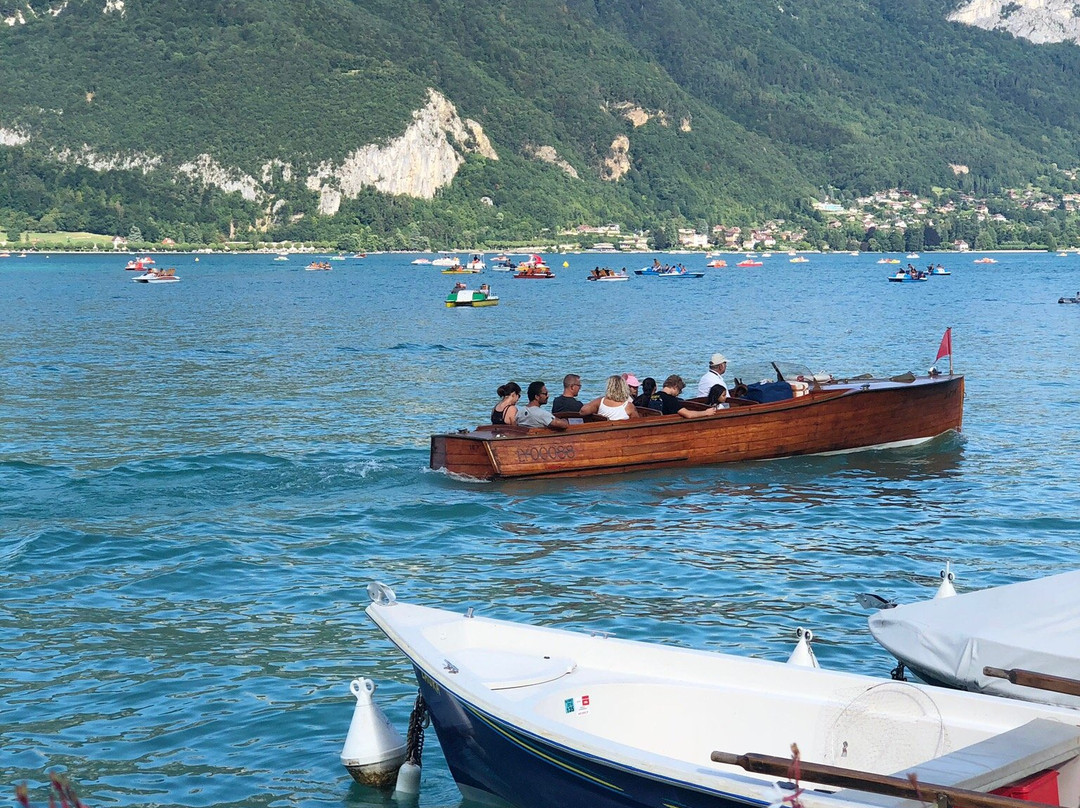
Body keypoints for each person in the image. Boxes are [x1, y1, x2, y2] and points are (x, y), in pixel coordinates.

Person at [654, 375, 719, 418]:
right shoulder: (671, 400)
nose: (679, 394)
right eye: (680, 390)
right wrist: (706, 412)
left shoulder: (654, 396)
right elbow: (688, 414)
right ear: (675, 387)